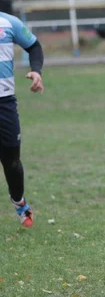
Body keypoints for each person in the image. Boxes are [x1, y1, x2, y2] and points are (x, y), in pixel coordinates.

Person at [0, 11, 44, 228]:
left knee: (11, 161)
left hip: (4, 104)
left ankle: (19, 202)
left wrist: (37, 71)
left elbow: (34, 46)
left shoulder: (9, 23)